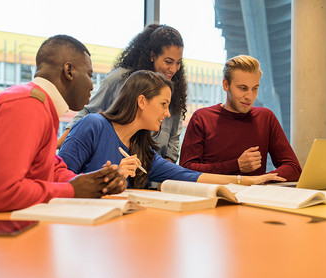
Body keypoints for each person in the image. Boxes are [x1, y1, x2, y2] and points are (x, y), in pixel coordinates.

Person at [0, 35, 126, 212]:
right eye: (89, 75)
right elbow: (0, 192)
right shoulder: (27, 105)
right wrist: (72, 190)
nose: (92, 86)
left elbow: (51, 169)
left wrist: (94, 183)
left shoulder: (41, 105)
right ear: (69, 71)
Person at [58, 70, 285, 189]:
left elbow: (189, 176)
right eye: (163, 104)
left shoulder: (142, 150)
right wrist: (110, 176)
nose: (167, 114)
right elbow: (57, 179)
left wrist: (248, 181)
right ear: (142, 101)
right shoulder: (93, 125)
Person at [57, 24, 187, 163]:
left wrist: (164, 178)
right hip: (113, 166)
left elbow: (172, 143)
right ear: (152, 55)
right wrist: (57, 145)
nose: (173, 69)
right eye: (168, 62)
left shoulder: (175, 91)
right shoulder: (119, 79)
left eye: (178, 63)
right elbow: (87, 114)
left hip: (151, 173)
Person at [179, 55, 301, 181]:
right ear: (226, 85)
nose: (250, 96)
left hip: (252, 196)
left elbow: (293, 168)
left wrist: (259, 180)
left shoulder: (265, 118)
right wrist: (236, 166)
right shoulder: (202, 118)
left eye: (255, 88)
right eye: (243, 88)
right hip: (213, 196)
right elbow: (185, 169)